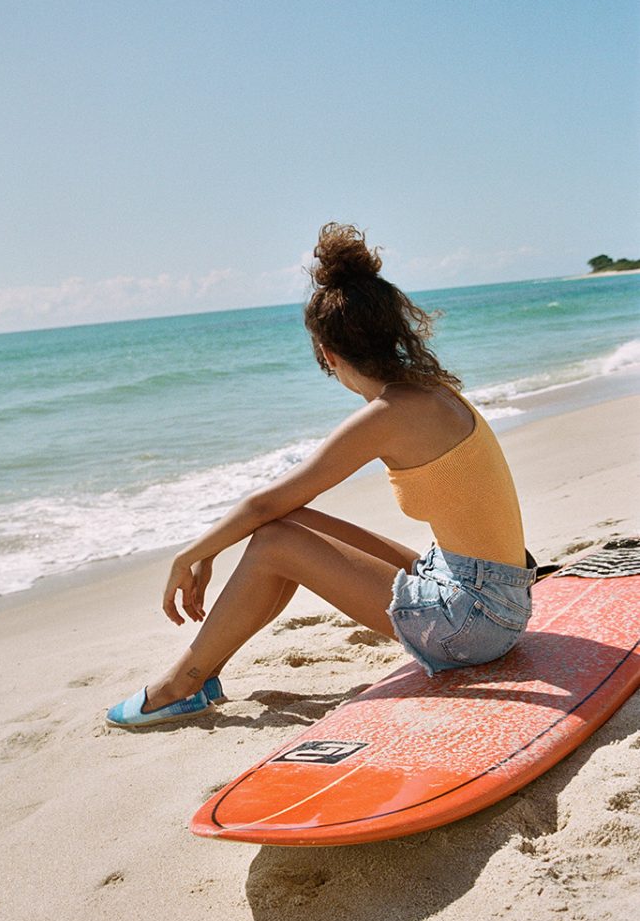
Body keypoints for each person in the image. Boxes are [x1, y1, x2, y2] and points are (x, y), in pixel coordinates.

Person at [106, 223, 536, 728]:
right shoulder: (435, 391)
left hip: (475, 621)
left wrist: (192, 554)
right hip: (494, 593)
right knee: (290, 524)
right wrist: (209, 550)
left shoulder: (388, 414)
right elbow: (280, 505)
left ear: (328, 355)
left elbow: (265, 505)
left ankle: (179, 684)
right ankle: (207, 674)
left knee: (274, 542)